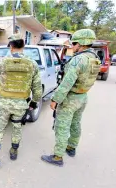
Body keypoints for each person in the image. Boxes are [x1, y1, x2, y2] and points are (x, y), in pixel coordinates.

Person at [41, 29, 101, 167]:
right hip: (83, 97)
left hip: (71, 98)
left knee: (62, 126)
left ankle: (57, 157)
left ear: (81, 43)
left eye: (74, 44)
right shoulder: (94, 58)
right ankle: (71, 147)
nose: (72, 47)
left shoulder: (78, 59)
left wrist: (55, 100)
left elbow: (66, 83)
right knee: (75, 124)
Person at [0, 34, 42, 168]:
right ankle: (14, 151)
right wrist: (34, 103)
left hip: (3, 103)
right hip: (21, 104)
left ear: (11, 46)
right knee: (17, 128)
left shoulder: (2, 62)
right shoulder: (32, 63)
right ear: (23, 46)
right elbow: (37, 88)